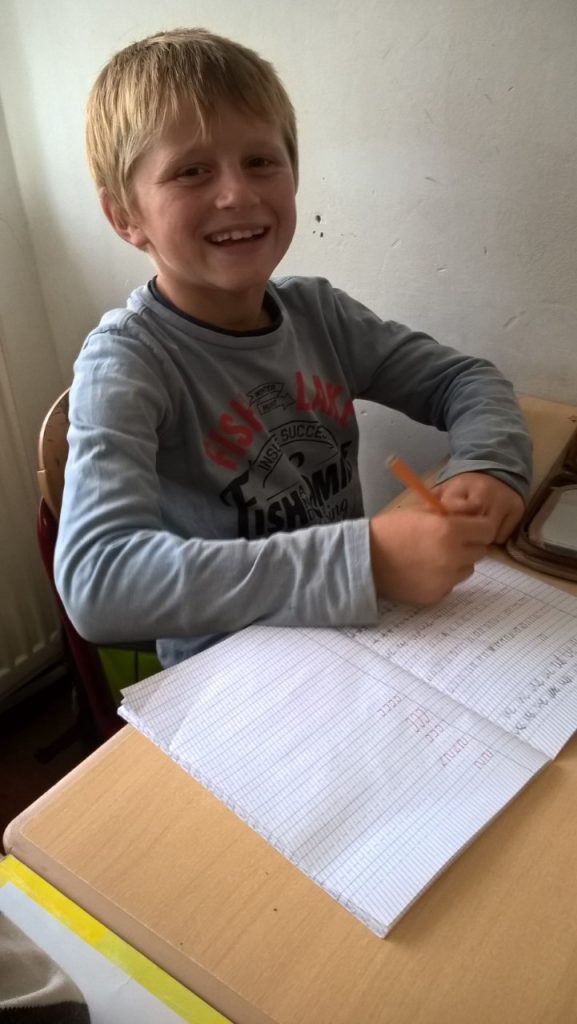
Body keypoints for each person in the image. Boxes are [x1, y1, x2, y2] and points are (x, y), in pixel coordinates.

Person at [54, 28, 532, 668]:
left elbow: (465, 380)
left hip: (365, 644)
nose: (237, 193)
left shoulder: (319, 314)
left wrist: (488, 467)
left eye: (261, 161)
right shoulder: (125, 362)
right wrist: (364, 561)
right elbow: (98, 581)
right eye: (191, 171)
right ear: (125, 217)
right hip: (235, 678)